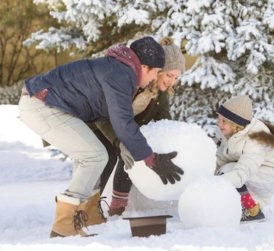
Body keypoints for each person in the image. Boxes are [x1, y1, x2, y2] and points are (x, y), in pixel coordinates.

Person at [18, 36, 184, 238]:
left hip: (51, 105)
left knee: (93, 155)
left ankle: (89, 215)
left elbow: (111, 117)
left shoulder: (121, 70)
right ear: (144, 66)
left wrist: (127, 144)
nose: (153, 79)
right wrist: (151, 159)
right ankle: (65, 223)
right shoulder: (121, 74)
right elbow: (123, 121)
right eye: (156, 73)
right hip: (42, 105)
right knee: (95, 156)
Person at [95, 37, 185, 216]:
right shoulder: (130, 81)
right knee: (107, 157)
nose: (172, 82)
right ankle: (91, 207)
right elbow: (101, 115)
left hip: (125, 131)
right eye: (169, 75)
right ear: (157, 70)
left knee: (132, 150)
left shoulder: (159, 94)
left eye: (176, 77)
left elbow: (164, 121)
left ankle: (117, 206)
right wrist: (121, 141)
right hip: (100, 126)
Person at [215, 95, 274, 222]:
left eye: (224, 121)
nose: (220, 124)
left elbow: (244, 171)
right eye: (219, 119)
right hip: (247, 168)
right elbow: (220, 159)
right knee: (223, 171)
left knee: (229, 172)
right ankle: (233, 205)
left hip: (266, 172)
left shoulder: (256, 139)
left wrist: (215, 184)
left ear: (235, 123)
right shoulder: (229, 133)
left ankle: (252, 211)